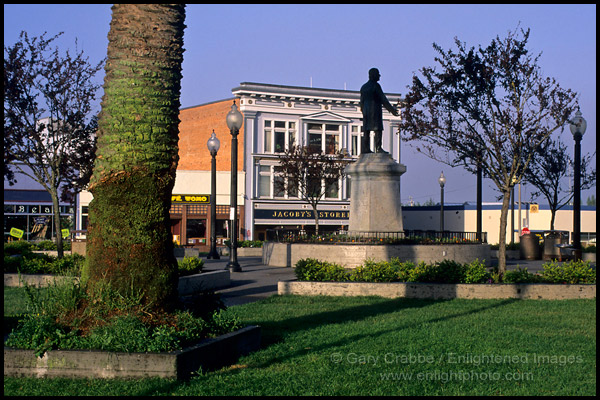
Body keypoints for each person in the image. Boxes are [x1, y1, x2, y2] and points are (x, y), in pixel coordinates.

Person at [359, 68, 399, 153]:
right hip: (375, 110)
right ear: (373, 75)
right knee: (378, 129)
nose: (379, 76)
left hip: (366, 112)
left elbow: (361, 102)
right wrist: (392, 110)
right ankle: (378, 148)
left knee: (366, 130)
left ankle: (366, 148)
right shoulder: (375, 86)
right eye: (378, 74)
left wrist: (363, 111)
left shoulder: (363, 87)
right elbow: (383, 99)